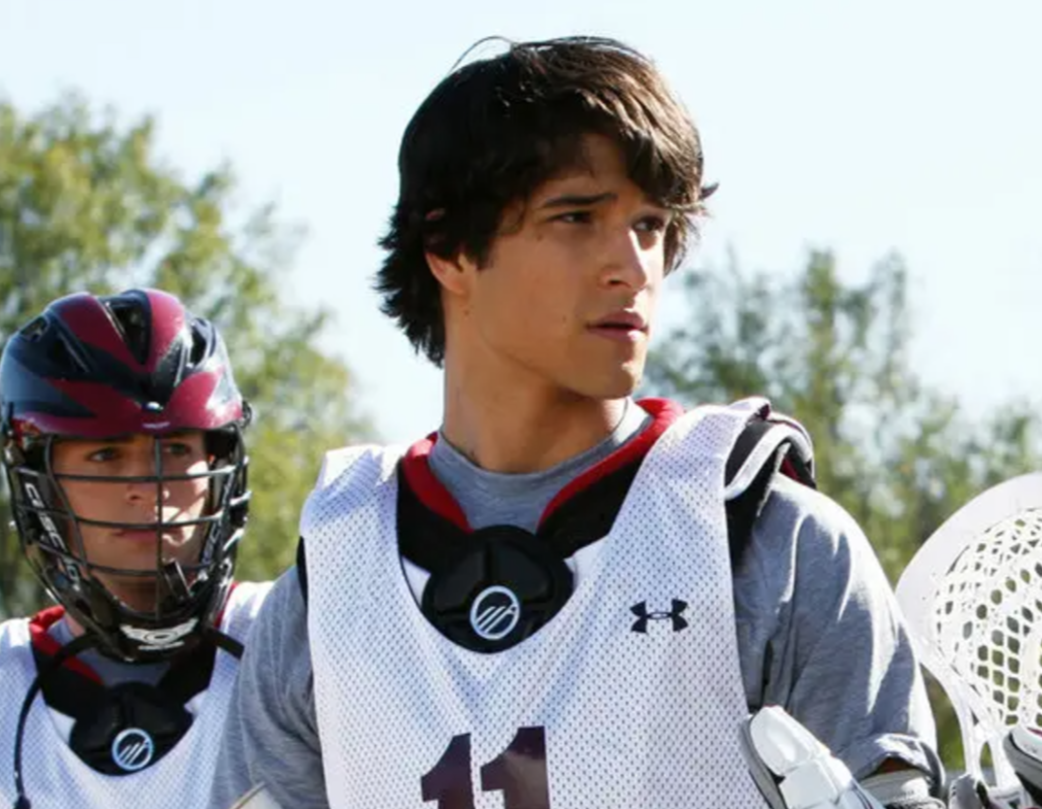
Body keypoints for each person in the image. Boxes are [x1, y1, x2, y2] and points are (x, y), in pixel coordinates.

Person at [211, 36, 944, 809]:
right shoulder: (329, 582)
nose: (631, 266)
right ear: (448, 248)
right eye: (577, 217)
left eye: (651, 225)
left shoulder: (776, 544)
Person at [0, 288, 268, 808]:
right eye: (106, 454)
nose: (149, 486)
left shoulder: (299, 643)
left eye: (175, 448)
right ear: (42, 486)